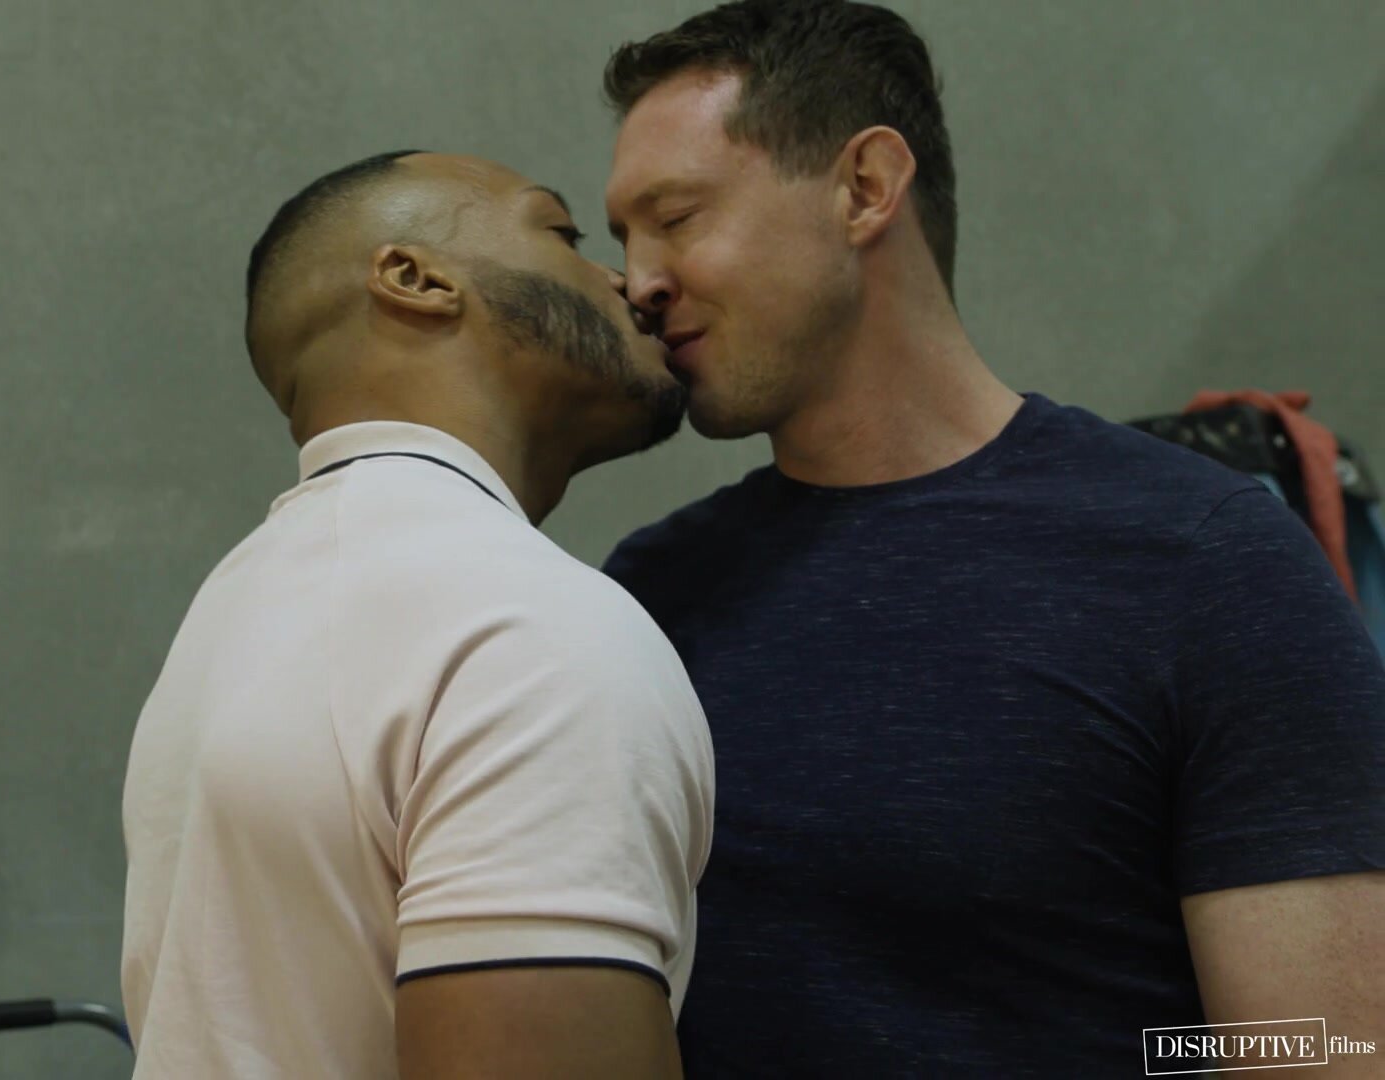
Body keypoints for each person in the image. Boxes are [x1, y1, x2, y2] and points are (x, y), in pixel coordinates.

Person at [595, 0, 1385, 1075]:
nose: (639, 282)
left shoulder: (1202, 564)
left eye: (677, 217)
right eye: (624, 238)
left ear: (865, 186)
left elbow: (1322, 1046)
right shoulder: (650, 596)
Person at [120, 150, 716, 1079]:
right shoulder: (524, 630)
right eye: (562, 233)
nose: (630, 283)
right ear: (415, 278)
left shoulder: (234, 610)